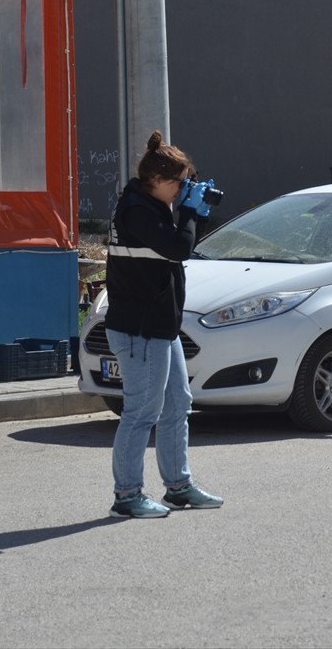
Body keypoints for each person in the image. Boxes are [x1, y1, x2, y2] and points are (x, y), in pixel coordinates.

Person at [105, 131, 224, 518]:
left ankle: (178, 486)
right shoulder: (137, 211)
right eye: (178, 184)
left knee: (177, 405)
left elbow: (179, 251)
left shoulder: (152, 206)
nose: (180, 192)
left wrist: (195, 212)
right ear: (156, 180)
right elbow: (177, 248)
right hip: (140, 328)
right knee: (141, 412)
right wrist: (191, 213)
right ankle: (127, 496)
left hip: (162, 325)